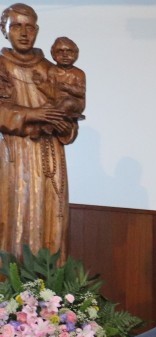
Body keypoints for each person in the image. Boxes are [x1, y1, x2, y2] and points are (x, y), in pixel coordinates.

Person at [0, 3, 77, 256]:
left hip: (50, 153)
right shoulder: (1, 66)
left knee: (54, 215)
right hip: (15, 154)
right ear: (4, 30)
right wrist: (33, 114)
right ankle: (12, 287)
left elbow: (70, 113)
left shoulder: (51, 68)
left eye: (29, 27)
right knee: (16, 212)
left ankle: (51, 289)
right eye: (16, 26)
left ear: (37, 30)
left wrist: (66, 124)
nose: (24, 33)